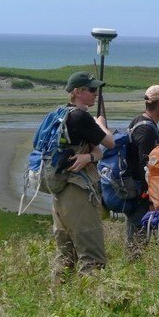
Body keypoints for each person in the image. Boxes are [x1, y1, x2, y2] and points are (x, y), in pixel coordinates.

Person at [52, 71, 114, 282]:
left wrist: (89, 156)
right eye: (92, 90)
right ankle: (93, 308)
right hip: (78, 191)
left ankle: (57, 300)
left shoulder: (60, 114)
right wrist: (101, 124)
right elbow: (110, 143)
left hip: (59, 193)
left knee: (66, 257)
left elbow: (97, 152)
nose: (95, 94)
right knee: (93, 260)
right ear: (78, 92)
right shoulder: (80, 116)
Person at [124, 85, 159, 258]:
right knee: (138, 244)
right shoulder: (146, 130)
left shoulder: (140, 122)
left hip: (139, 192)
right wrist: (153, 199)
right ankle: (133, 276)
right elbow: (146, 168)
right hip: (142, 196)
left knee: (139, 241)